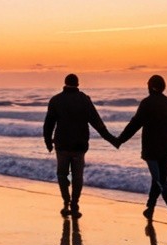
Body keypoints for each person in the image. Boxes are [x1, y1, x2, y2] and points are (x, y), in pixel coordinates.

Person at [116, 74, 167, 230]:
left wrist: (120, 140)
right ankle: (150, 209)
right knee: (159, 177)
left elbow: (134, 124)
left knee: (160, 181)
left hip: (153, 149)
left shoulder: (147, 103)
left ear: (150, 86)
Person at [43, 73, 117, 217]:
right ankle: (75, 205)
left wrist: (48, 141)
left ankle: (66, 203)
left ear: (65, 83)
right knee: (78, 176)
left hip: (62, 145)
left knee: (62, 174)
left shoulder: (56, 100)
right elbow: (97, 122)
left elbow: (48, 124)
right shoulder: (84, 100)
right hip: (79, 145)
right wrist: (112, 139)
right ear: (78, 84)